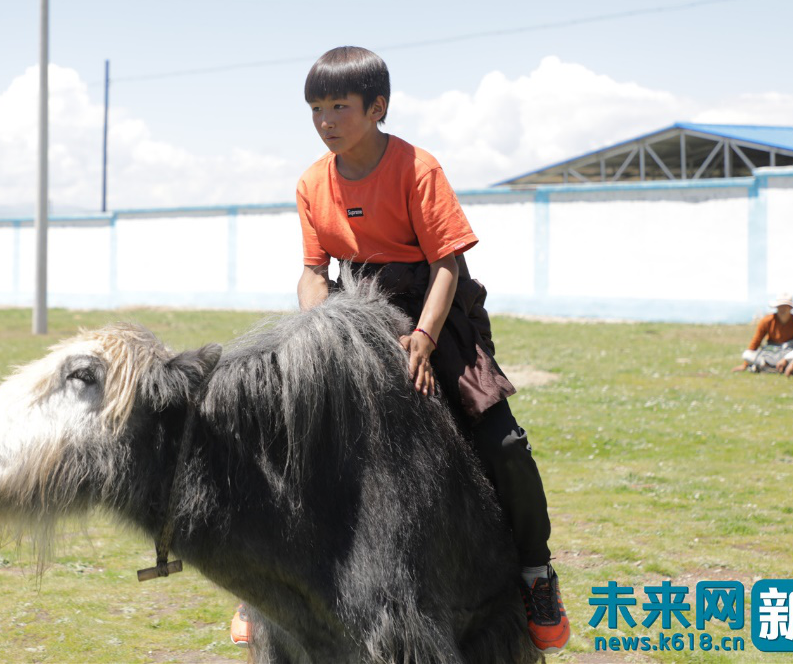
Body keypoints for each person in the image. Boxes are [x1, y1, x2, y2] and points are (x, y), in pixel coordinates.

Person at [232, 46, 569, 653]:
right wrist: (322, 331)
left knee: (504, 443)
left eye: (339, 106)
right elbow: (313, 271)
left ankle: (536, 574)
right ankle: (262, 585)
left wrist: (423, 338)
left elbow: (448, 263)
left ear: (377, 107)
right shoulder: (312, 182)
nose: (326, 120)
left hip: (432, 310)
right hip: (351, 311)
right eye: (316, 108)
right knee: (284, 431)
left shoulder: (418, 168)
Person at [733, 292, 793, 373]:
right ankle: (778, 368)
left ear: (791, 308)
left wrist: (787, 358)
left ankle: (769, 368)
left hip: (789, 353)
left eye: (786, 306)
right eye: (780, 306)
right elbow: (756, 341)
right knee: (747, 355)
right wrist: (745, 364)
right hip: (770, 352)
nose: (783, 309)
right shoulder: (767, 321)